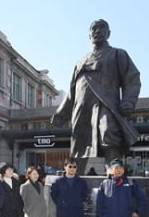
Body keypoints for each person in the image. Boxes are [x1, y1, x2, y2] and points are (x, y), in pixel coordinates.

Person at [51, 19, 141, 173]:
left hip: (107, 105)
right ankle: (75, 176)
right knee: (80, 142)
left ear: (108, 33)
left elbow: (132, 79)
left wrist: (128, 102)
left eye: (102, 28)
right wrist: (61, 113)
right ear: (89, 34)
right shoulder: (80, 62)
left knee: (109, 135)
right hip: (82, 109)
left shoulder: (118, 54)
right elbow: (72, 92)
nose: (97, 31)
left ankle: (114, 175)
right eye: (94, 28)